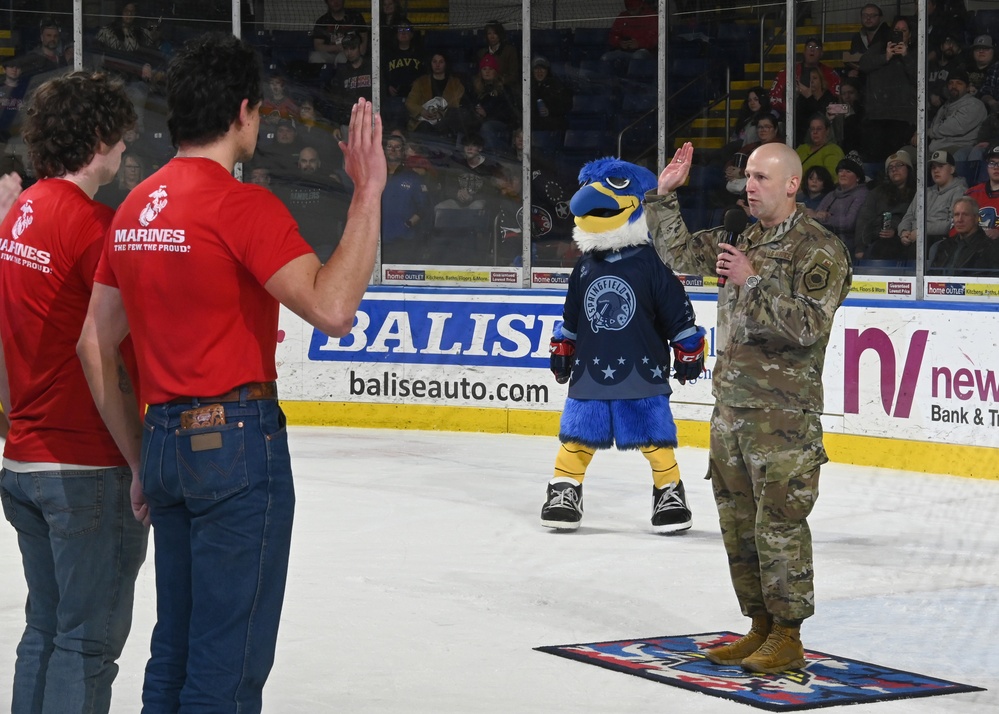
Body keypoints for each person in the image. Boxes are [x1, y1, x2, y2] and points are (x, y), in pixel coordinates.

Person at [75, 33, 386, 711]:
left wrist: (138, 458)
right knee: (229, 660)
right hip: (235, 447)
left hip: (162, 444)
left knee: (176, 649)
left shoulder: (133, 210)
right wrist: (368, 193)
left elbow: (94, 344)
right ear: (244, 112)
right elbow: (332, 309)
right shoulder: (240, 206)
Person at [646, 141, 851, 674]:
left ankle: (788, 634)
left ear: (791, 184)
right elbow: (680, 255)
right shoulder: (741, 236)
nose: (749, 186)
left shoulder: (819, 249)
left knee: (779, 526)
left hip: (783, 419)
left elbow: (807, 327)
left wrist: (751, 280)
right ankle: (759, 625)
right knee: (737, 525)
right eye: (746, 178)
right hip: (731, 410)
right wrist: (664, 197)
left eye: (761, 177)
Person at [0, 71, 147, 714]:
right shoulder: (94, 225)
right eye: (120, 140)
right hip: (85, 465)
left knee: (45, 630)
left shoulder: (19, 215)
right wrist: (138, 459)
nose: (125, 151)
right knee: (86, 643)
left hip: (26, 457)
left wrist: (12, 420)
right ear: (97, 138)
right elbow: (98, 346)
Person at [542, 157, 705, 534]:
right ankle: (565, 488)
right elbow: (572, 317)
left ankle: (668, 491)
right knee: (580, 433)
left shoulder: (651, 263)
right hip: (591, 370)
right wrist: (564, 344)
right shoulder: (584, 266)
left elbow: (676, 311)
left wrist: (688, 345)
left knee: (653, 435)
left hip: (642, 366)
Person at [859, 15, 917, 165]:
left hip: (902, 117)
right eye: (896, 30)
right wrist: (885, 56)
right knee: (875, 159)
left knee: (897, 161)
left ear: (910, 34)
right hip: (878, 115)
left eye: (904, 30)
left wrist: (905, 56)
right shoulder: (879, 47)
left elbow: (919, 77)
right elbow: (864, 64)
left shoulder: (916, 52)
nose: (900, 33)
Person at [898, 149, 967, 247]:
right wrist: (904, 232)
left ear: (952, 169)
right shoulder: (923, 192)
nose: (936, 170)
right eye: (933, 167)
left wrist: (921, 231)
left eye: (941, 166)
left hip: (939, 240)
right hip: (915, 236)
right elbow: (908, 216)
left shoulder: (960, 191)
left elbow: (953, 223)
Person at [856, 150, 917, 261]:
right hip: (877, 240)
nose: (894, 169)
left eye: (899, 165)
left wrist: (896, 230)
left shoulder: (919, 193)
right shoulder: (876, 193)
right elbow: (864, 220)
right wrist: (860, 248)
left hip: (906, 239)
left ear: (908, 168)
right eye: (890, 167)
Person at [382, 133, 431, 263]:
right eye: (389, 147)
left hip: (404, 242)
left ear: (403, 152)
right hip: (377, 241)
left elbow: (424, 208)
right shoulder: (375, 176)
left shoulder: (413, 178)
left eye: (397, 147)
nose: (392, 150)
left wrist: (408, 224)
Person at [769, 36, 841, 119]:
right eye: (809, 46)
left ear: (821, 53)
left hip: (821, 121)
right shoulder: (788, 71)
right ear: (804, 51)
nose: (812, 49)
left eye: (816, 47)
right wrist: (789, 110)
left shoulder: (831, 74)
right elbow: (774, 98)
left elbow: (839, 106)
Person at [811, 156, 869, 257]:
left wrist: (826, 217)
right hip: (823, 239)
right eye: (841, 171)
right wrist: (817, 215)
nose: (843, 174)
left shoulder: (862, 194)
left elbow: (848, 223)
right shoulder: (831, 194)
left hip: (846, 243)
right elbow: (814, 217)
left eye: (848, 171)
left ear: (858, 177)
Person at [928, 195, 999, 273]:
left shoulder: (990, 248)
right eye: (956, 215)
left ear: (976, 218)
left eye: (965, 215)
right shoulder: (944, 246)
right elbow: (931, 275)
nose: (959, 220)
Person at [405, 52, 467, 142]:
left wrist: (442, 114)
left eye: (441, 62)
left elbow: (456, 105)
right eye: (434, 62)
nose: (437, 65)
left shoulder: (455, 83)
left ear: (446, 64)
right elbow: (410, 103)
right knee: (424, 126)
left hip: (446, 122)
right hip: (424, 121)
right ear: (430, 63)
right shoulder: (421, 82)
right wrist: (421, 111)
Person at [927, 69, 987, 155]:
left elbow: (955, 127)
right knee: (905, 153)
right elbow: (934, 124)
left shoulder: (974, 104)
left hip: (960, 148)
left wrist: (928, 132)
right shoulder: (946, 105)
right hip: (937, 148)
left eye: (959, 83)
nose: (954, 86)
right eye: (951, 83)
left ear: (967, 87)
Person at [469, 53, 519, 152]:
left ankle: (492, 159)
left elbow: (509, 113)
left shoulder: (504, 89)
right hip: (478, 121)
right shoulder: (474, 89)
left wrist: (487, 113)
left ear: (495, 72)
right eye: (484, 69)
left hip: (499, 125)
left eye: (490, 69)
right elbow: (468, 104)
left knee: (487, 127)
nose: (487, 72)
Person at [601, 0, 657, 71]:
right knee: (606, 57)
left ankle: (633, 80)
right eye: (629, 10)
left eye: (634, 9)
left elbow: (655, 38)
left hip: (645, 51)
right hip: (624, 51)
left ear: (640, 6)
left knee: (638, 56)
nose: (631, 13)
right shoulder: (623, 16)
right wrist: (619, 42)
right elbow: (613, 36)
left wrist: (639, 43)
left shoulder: (651, 16)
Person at [309, 0, 368, 65]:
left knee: (342, 58)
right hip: (330, 54)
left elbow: (364, 38)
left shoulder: (355, 17)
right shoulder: (322, 21)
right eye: (332, 0)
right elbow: (318, 46)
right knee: (315, 56)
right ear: (327, 2)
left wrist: (360, 51)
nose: (336, 2)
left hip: (349, 53)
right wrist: (337, 47)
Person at [842, 4, 890, 80]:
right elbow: (852, 60)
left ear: (880, 17)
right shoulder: (857, 38)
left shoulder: (888, 35)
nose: (868, 18)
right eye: (865, 15)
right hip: (863, 82)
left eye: (873, 15)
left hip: (884, 79)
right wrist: (851, 71)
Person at [965, 143, 999, 239]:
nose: (996, 167)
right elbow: (957, 225)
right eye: (992, 163)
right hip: (971, 246)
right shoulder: (971, 194)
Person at [531, 56, 572, 133]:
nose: (539, 71)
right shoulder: (527, 87)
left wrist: (550, 110)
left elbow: (566, 104)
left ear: (547, 70)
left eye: (542, 68)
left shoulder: (557, 85)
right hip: (534, 128)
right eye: (536, 68)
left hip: (553, 129)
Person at [796, 114, 844, 181]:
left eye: (819, 129)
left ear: (827, 131)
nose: (815, 132)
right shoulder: (802, 148)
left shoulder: (833, 150)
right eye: (812, 129)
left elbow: (832, 178)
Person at [474, 20, 520, 87]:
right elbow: (479, 74)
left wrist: (500, 82)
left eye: (495, 33)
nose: (492, 36)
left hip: (506, 89)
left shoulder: (509, 51)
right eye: (489, 33)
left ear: (500, 34)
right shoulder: (482, 53)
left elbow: (514, 74)